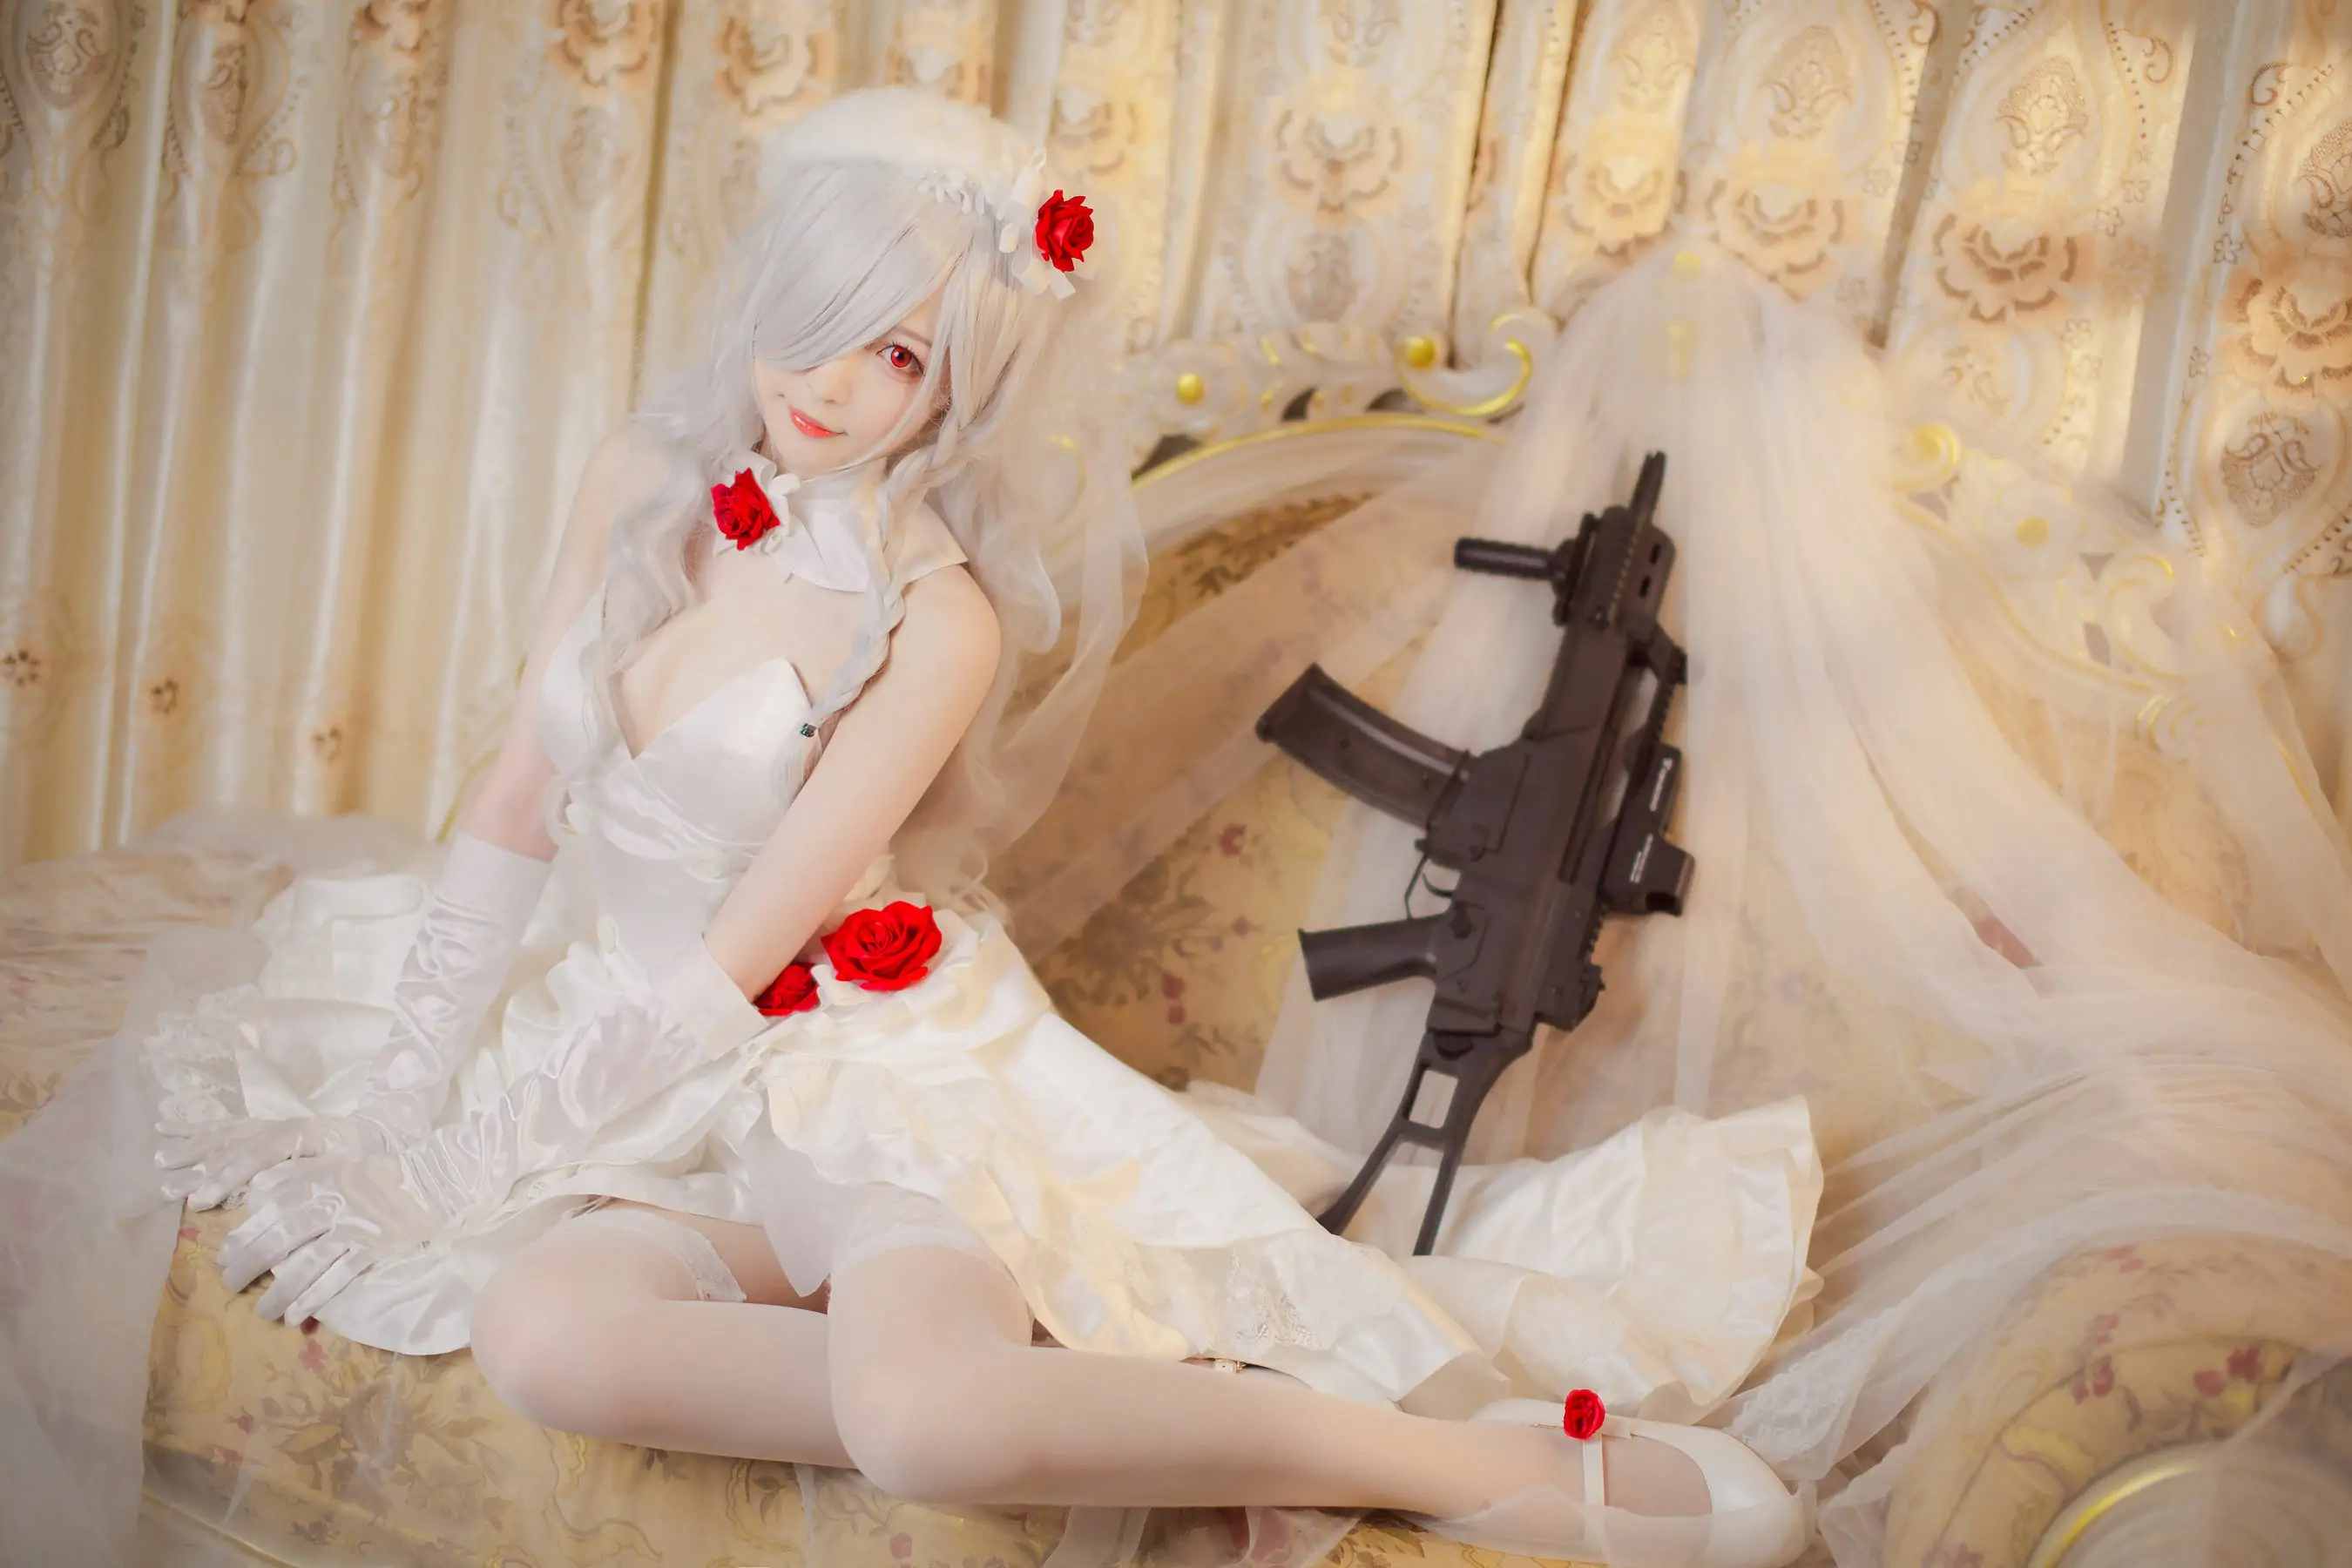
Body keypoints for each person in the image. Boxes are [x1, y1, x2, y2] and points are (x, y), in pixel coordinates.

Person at [113, 90, 1819, 1568]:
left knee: (921, 1423)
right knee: (544, 1336)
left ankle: (1452, 1465)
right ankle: (1113, 1385)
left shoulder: (940, 623)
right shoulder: (640, 476)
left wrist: (460, 1167)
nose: (833, 385)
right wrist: (397, 1111)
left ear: (960, 388)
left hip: (856, 1069)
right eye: (823, 320)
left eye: (902, 354)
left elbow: (744, 952)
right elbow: (512, 796)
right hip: (649, 1060)